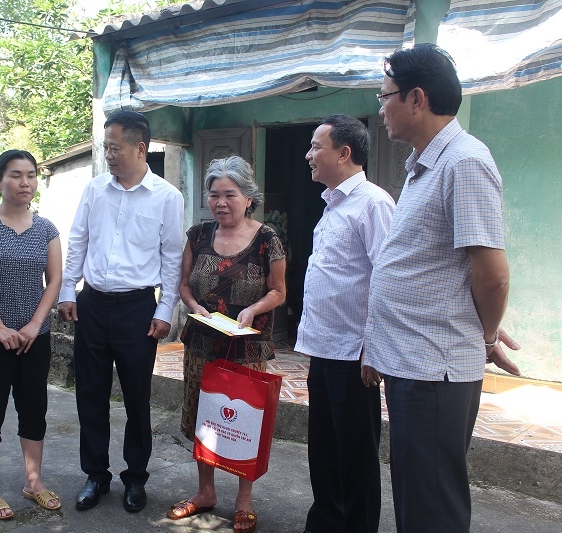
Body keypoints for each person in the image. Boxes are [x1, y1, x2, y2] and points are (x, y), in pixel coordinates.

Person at [364, 43, 521, 533]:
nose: (380, 107)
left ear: (417, 98)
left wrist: (487, 337)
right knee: (417, 494)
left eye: (385, 95)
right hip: (415, 360)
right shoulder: (425, 164)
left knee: (431, 504)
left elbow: (492, 273)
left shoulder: (464, 162)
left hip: (435, 366)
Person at [58, 110, 184, 513]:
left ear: (139, 148)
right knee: (90, 394)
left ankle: (135, 478)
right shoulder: (95, 190)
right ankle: (96, 475)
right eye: (106, 147)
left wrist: (165, 309)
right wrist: (67, 290)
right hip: (92, 305)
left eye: (114, 147)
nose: (108, 155)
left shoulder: (167, 197)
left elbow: (173, 257)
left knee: (137, 398)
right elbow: (78, 241)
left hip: (137, 310)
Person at [166, 155, 285, 533]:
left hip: (246, 347)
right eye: (214, 195)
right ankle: (205, 492)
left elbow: (278, 291)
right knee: (204, 416)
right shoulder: (198, 235)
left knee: (243, 420)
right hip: (202, 344)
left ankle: (244, 500)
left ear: (248, 197)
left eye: (229, 195)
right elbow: (184, 284)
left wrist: (253, 309)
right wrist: (194, 306)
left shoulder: (267, 239)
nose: (220, 202)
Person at [294, 115, 395, 533]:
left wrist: (374, 347)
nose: (309, 155)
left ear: (344, 153)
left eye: (316, 146)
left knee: (355, 454)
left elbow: (387, 278)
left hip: (354, 353)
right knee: (324, 448)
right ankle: (325, 523)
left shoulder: (373, 203)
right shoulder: (333, 204)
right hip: (325, 347)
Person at [0, 149, 63, 520]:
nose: (25, 183)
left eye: (31, 175)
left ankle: (33, 481)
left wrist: (35, 324)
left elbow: (55, 280)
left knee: (34, 409)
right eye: (16, 175)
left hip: (34, 338)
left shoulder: (47, 229)